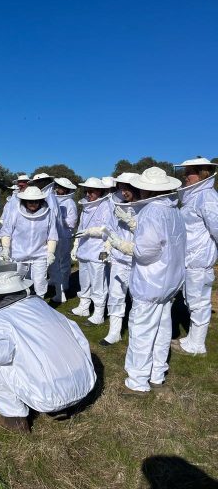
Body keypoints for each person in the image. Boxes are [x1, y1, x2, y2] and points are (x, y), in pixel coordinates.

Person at [0, 271, 97, 432]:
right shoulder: (42, 305)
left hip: (49, 397)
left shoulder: (1, 317)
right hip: (85, 384)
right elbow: (78, 337)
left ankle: (14, 419)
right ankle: (68, 405)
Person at [103, 167, 186, 395]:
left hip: (151, 282)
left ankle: (138, 381)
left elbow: (145, 252)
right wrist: (133, 224)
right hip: (169, 283)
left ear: (145, 190)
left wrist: (120, 243)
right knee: (162, 329)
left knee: (142, 331)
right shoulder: (174, 211)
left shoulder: (151, 211)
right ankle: (157, 375)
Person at [171, 157, 218, 355]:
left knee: (199, 302)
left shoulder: (207, 197)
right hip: (190, 259)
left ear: (202, 173)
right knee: (192, 300)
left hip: (199, 260)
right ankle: (192, 339)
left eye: (189, 172)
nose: (185, 176)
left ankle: (197, 345)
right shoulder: (195, 196)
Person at [100, 173, 140, 346]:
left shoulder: (145, 207)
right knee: (116, 296)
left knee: (139, 298)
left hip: (139, 261)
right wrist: (107, 248)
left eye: (127, 188)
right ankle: (114, 332)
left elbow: (151, 234)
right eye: (121, 188)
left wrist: (131, 222)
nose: (123, 192)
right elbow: (110, 230)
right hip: (118, 259)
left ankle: (138, 333)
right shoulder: (117, 206)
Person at [0, 186, 58, 298]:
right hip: (18, 253)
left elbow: (52, 234)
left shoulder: (48, 213)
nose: (33, 203)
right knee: (16, 281)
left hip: (40, 254)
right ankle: (16, 303)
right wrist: (6, 247)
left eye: (36, 201)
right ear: (24, 200)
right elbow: (6, 231)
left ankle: (40, 305)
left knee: (40, 282)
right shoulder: (15, 212)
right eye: (30, 201)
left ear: (40, 201)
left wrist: (51, 252)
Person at [71, 177, 113, 323]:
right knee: (84, 281)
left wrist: (90, 231)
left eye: (91, 191)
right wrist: (76, 246)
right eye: (87, 191)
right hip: (84, 251)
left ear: (100, 191)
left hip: (98, 251)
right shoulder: (85, 207)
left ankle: (99, 313)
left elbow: (108, 230)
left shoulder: (107, 207)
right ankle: (84, 306)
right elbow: (80, 228)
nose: (88, 194)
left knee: (98, 283)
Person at [48, 177, 78, 303]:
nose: (57, 189)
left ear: (65, 189)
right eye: (57, 186)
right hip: (55, 235)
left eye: (60, 187)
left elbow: (72, 222)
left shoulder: (70, 203)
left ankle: (64, 285)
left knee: (64, 261)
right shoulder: (55, 200)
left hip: (65, 236)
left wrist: (59, 219)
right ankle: (55, 281)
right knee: (54, 260)